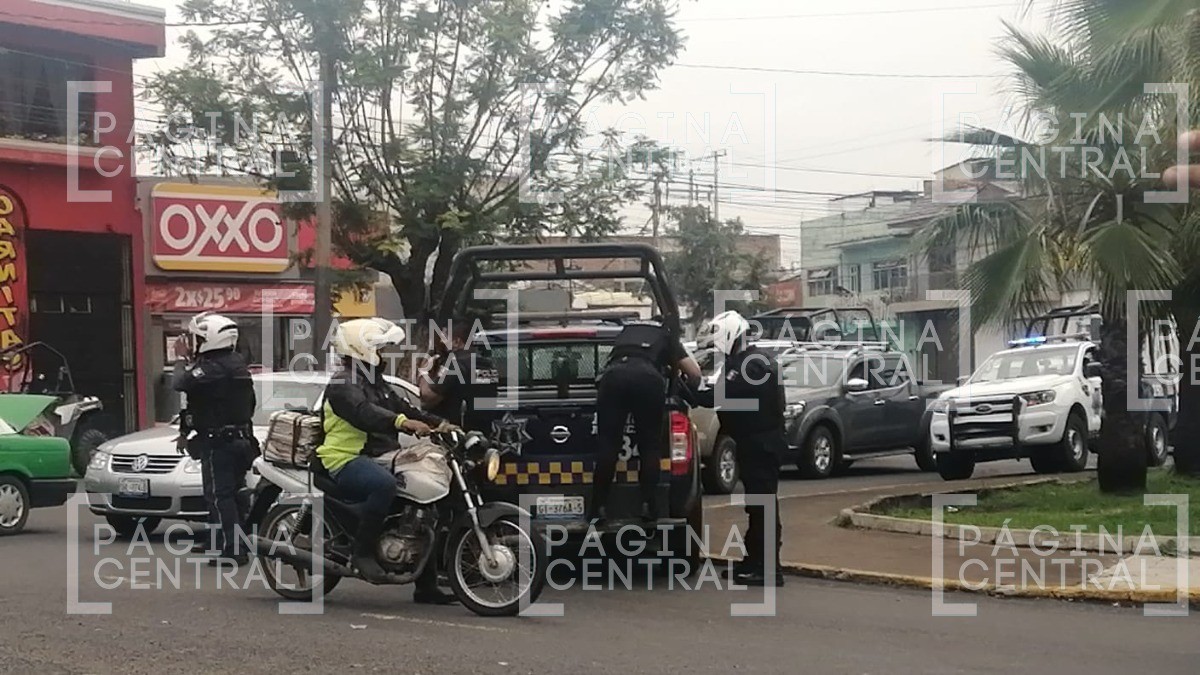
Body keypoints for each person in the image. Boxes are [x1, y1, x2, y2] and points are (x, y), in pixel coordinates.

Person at [317, 317, 456, 604]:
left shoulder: (374, 380)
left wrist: (440, 424)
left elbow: (404, 406)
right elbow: (364, 413)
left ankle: (425, 586)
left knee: (424, 502)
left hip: (380, 455)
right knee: (383, 485)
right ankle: (363, 554)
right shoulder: (343, 383)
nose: (383, 354)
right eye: (379, 348)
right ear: (360, 348)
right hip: (345, 459)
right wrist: (403, 423)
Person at [690, 310, 786, 587]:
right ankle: (754, 562)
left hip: (761, 443)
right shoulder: (747, 362)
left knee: (762, 506)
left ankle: (768, 569)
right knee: (756, 505)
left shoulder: (749, 365)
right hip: (756, 442)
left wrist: (686, 390)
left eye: (718, 346)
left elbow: (716, 397)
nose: (717, 352)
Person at [589, 318, 701, 525]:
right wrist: (685, 390)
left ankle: (598, 508)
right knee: (650, 446)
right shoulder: (667, 336)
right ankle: (648, 506)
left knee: (608, 446)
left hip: (613, 378)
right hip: (648, 381)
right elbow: (694, 373)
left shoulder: (624, 334)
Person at [173, 312, 257, 566]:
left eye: (197, 338)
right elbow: (199, 402)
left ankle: (233, 550)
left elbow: (181, 382)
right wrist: (185, 432)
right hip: (240, 438)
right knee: (231, 494)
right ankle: (220, 540)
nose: (192, 343)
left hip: (221, 441)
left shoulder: (213, 367)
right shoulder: (235, 363)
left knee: (222, 496)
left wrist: (180, 359)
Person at [419, 320, 498, 432]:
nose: (442, 340)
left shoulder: (455, 364)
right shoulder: (488, 365)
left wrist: (424, 372)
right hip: (484, 430)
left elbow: (427, 395)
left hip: (459, 433)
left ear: (457, 341)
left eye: (446, 336)